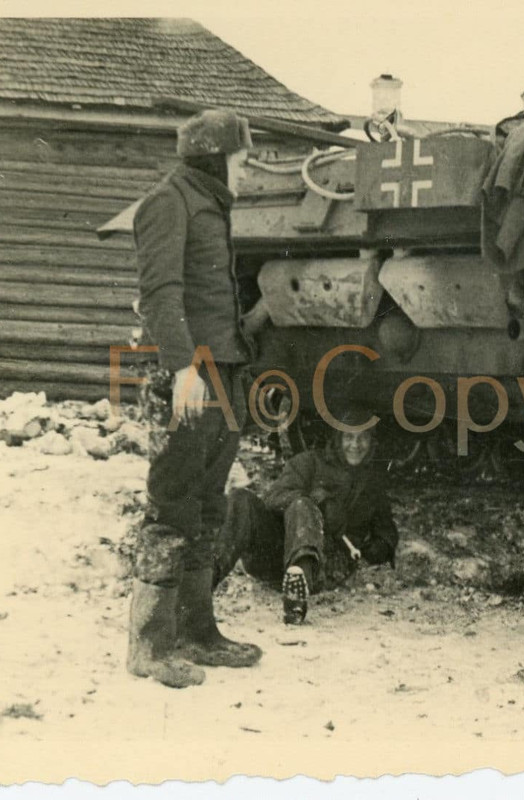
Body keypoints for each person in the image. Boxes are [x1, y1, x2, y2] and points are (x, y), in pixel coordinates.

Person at [126, 108, 263, 689]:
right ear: (216, 158)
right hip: (189, 375)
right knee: (174, 499)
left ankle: (198, 632)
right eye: (242, 159)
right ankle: (150, 647)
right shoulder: (169, 201)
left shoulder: (209, 202)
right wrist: (181, 368)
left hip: (222, 371)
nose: (248, 170)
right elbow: (161, 291)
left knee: (209, 503)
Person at [213, 414, 400, 625]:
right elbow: (272, 499)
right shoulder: (309, 463)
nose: (355, 445)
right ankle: (209, 575)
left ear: (371, 441)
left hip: (325, 567)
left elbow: (387, 530)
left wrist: (373, 551)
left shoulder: (371, 483)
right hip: (278, 556)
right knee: (242, 499)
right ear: (337, 438)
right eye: (349, 437)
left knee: (303, 505)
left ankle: (297, 593)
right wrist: (316, 503)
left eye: (362, 438)